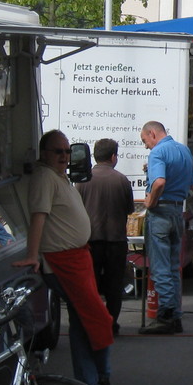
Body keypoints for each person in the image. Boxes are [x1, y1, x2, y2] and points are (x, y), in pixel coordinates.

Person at [18, 130, 118, 385]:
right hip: (63, 261)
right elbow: (39, 216)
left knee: (84, 320)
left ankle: (91, 382)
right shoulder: (44, 177)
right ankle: (97, 379)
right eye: (58, 151)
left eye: (67, 151)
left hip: (77, 258)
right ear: (44, 153)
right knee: (96, 318)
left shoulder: (58, 176)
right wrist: (32, 255)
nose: (64, 156)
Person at [139, 120, 193, 334]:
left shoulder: (158, 153)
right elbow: (192, 184)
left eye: (145, 140)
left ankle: (166, 316)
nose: (146, 146)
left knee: (160, 267)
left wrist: (151, 201)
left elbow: (160, 182)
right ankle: (176, 316)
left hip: (161, 212)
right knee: (173, 267)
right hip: (177, 210)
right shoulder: (184, 151)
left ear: (153, 134)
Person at [76, 138, 135, 336]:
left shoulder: (82, 181)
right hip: (116, 240)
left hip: (90, 241)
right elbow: (129, 209)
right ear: (113, 156)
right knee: (114, 287)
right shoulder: (121, 180)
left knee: (90, 286)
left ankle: (93, 323)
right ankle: (111, 324)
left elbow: (77, 210)